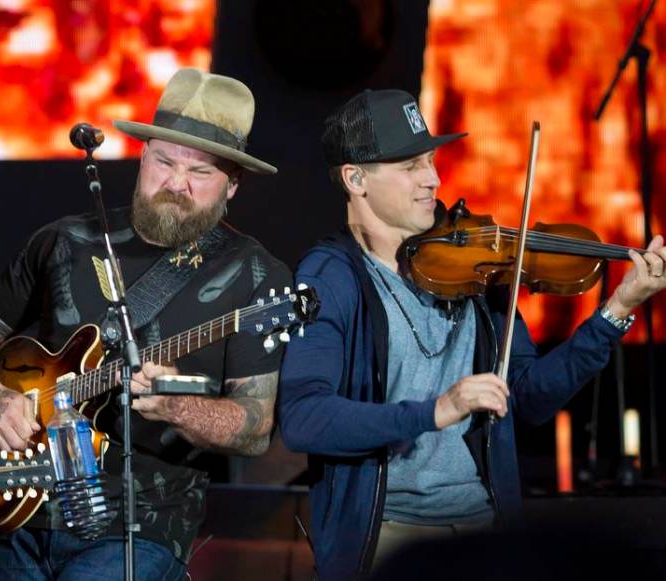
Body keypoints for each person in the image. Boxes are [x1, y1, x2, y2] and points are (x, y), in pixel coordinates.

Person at [277, 89, 666, 580]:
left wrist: (616, 310)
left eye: (432, 162)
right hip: (387, 539)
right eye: (410, 166)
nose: (433, 180)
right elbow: (304, 419)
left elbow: (529, 399)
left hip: (486, 530)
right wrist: (436, 411)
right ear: (356, 179)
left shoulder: (476, 265)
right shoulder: (331, 277)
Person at [0, 68, 291, 580]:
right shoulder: (66, 241)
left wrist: (176, 407)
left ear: (232, 185)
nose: (175, 184)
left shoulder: (255, 275)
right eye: (164, 162)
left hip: (138, 525)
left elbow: (255, 427)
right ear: (143, 155)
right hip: (18, 506)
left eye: (200, 173)